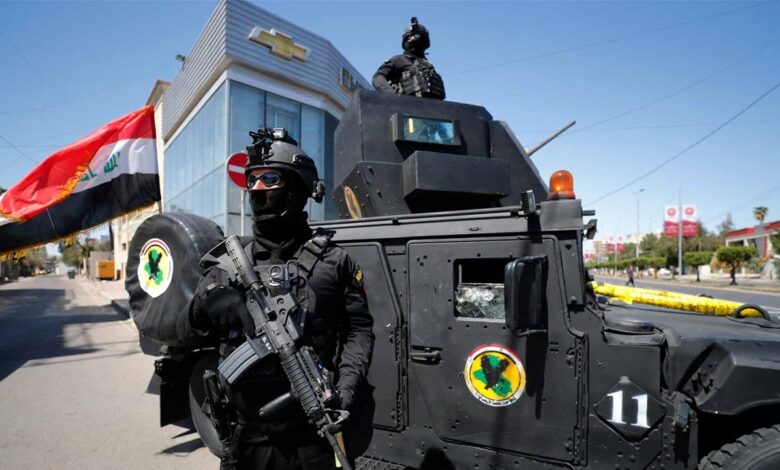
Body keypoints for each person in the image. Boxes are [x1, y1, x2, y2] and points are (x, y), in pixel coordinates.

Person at [189, 128, 375, 470]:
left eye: (270, 179)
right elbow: (189, 326)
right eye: (252, 180)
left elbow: (358, 331)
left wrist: (345, 390)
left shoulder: (334, 261)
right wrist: (209, 299)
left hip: (313, 433)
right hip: (248, 438)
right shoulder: (229, 264)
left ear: (298, 187)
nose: (258, 189)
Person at [372, 16, 445, 100]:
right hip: (408, 106)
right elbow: (378, 77)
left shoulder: (428, 65)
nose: (414, 39)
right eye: (412, 37)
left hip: (433, 106)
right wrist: (393, 98)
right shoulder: (399, 59)